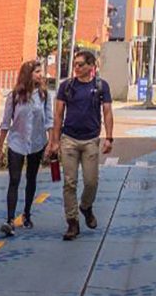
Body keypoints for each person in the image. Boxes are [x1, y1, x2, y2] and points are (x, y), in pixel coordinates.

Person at [47, 49, 114, 242]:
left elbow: (107, 112)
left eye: (80, 64)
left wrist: (109, 137)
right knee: (69, 182)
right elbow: (58, 114)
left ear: (91, 66)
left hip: (91, 140)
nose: (76, 67)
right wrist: (55, 141)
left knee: (91, 182)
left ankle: (86, 206)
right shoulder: (66, 86)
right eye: (75, 64)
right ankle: (72, 222)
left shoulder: (101, 86)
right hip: (69, 140)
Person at [0, 60, 53, 236]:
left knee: (31, 178)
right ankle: (10, 219)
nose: (40, 75)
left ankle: (27, 214)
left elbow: (49, 120)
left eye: (40, 72)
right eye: (37, 72)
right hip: (16, 142)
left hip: (36, 143)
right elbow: (6, 123)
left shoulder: (44, 95)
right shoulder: (15, 96)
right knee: (14, 180)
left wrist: (52, 143)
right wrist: (0, 148)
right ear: (28, 74)